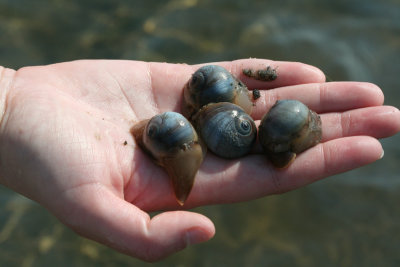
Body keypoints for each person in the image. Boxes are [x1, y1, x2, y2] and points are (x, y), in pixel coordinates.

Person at [0, 58, 399, 262]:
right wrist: (10, 106)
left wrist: (11, 102)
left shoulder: (215, 114)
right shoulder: (205, 119)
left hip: (219, 124)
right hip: (216, 125)